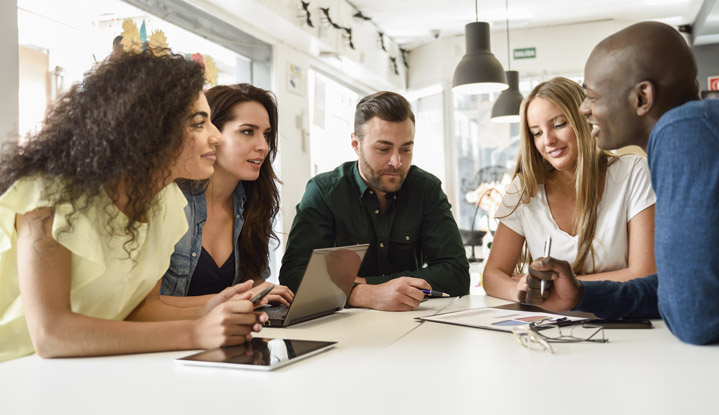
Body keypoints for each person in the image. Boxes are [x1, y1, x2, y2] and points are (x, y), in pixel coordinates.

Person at [0, 50, 267, 362]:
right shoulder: (47, 195)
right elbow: (51, 335)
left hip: (90, 368)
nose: (216, 137)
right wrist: (195, 332)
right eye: (199, 124)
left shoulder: (166, 201)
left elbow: (141, 308)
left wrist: (211, 307)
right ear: (150, 129)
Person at [523, 21, 719, 345]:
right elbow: (677, 286)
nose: (584, 109)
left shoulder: (684, 134)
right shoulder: (718, 120)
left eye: (592, 96)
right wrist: (582, 294)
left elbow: (694, 320)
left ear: (642, 96)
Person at [279, 91, 470, 311]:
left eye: (406, 149)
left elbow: (456, 274)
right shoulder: (325, 193)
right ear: (355, 144)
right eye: (383, 149)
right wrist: (362, 294)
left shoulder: (426, 189)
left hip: (412, 326)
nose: (397, 162)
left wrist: (367, 283)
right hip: (344, 332)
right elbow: (293, 277)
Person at [483, 77, 656, 302]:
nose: (548, 141)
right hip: (551, 326)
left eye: (558, 124)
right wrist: (518, 290)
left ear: (583, 119)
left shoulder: (633, 172)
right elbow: (492, 275)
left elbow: (645, 274)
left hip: (621, 321)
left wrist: (562, 286)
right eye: (537, 132)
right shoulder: (524, 189)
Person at [160, 84, 293, 306]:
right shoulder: (171, 200)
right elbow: (145, 307)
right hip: (170, 338)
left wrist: (263, 295)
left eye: (266, 135)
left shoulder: (253, 202)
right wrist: (238, 299)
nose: (263, 146)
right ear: (211, 133)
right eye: (247, 131)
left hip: (226, 336)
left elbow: (253, 285)